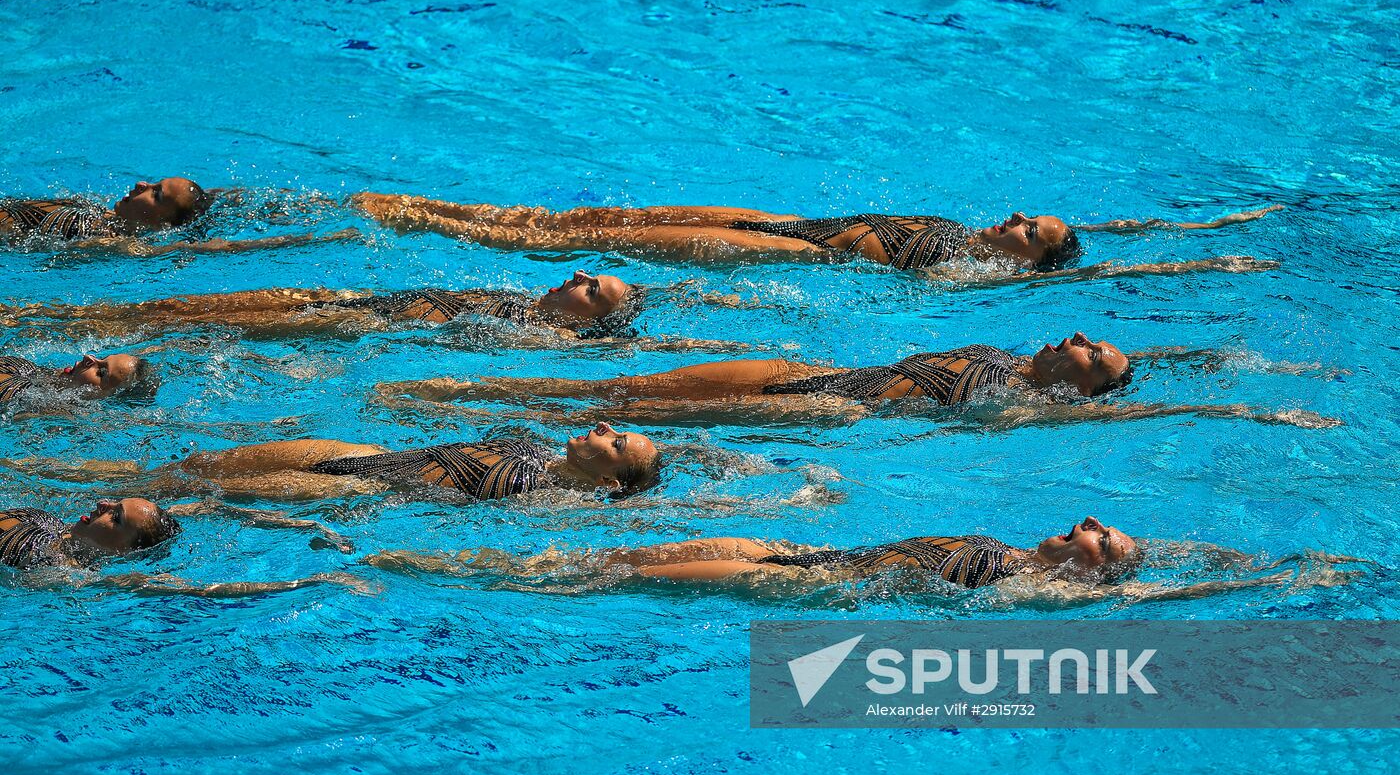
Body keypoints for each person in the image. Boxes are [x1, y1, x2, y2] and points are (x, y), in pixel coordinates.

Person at [377, 333, 1339, 429]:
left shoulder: (1033, 408)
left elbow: (1157, 401)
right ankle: (465, 394)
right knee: (638, 388)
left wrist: (1248, 406)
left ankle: (433, 402)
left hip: (834, 408)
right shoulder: (1023, 357)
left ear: (1077, 388)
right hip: (809, 371)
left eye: (1096, 356)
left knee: (609, 410)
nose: (1083, 337)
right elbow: (1167, 368)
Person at [366, 515, 1351, 603]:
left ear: (1093, 571)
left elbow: (1157, 592)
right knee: (616, 552)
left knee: (606, 576)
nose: (1088, 524)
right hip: (801, 549)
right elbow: (1167, 559)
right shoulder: (1025, 559)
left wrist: (1279, 577)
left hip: (798, 581)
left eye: (1105, 539)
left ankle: (407, 567)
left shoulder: (1041, 600)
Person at [351, 191, 1282, 273]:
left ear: (1037, 261)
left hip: (797, 251)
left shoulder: (984, 279)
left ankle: (422, 226)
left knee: (568, 249)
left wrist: (1206, 259)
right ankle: (434, 206)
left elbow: (1113, 271)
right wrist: (1205, 219)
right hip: (792, 218)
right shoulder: (989, 243)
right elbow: (1123, 231)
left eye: (1027, 228)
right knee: (601, 219)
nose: (1011, 219)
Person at [10, 422, 664, 503]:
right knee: (201, 460)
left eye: (615, 443)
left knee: (192, 487)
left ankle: (47, 499)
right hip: (357, 455)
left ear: (608, 480)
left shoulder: (536, 501)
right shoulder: (533, 445)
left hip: (354, 493)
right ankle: (40, 470)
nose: (603, 428)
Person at [1, 271, 641, 341]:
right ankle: (43, 318)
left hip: (358, 324)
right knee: (185, 307)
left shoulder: (542, 336)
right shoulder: (515, 300)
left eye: (593, 290)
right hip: (362, 303)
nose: (577, 274)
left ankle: (47, 324)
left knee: (207, 322)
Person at [0, 497, 361, 597]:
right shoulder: (56, 526)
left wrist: (317, 581)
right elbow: (211, 507)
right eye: (115, 504)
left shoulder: (62, 575)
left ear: (123, 553)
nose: (102, 504)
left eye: (116, 518)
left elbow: (202, 591)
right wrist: (310, 523)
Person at [1, 175, 357, 256]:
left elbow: (219, 247)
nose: (141, 183)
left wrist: (317, 238)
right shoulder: (91, 205)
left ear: (161, 224)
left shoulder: (118, 243)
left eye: (155, 193)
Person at [0, 351, 156, 404]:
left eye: (101, 372)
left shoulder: (47, 411)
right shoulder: (23, 368)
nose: (88, 357)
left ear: (105, 397)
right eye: (101, 358)